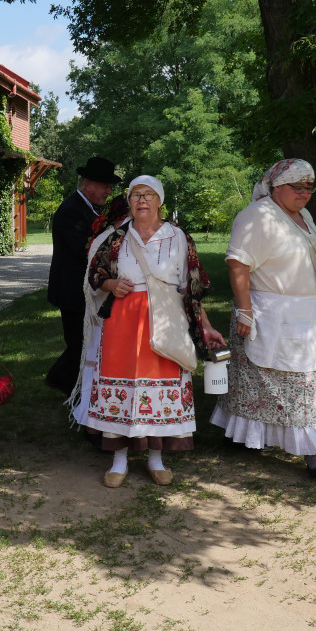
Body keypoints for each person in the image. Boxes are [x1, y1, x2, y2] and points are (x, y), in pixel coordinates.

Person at [210, 159, 316, 479]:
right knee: (288, 385)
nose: (304, 194)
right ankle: (313, 457)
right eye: (297, 187)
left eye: (309, 188)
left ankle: (241, 437)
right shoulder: (257, 216)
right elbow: (238, 263)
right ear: (276, 186)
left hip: (306, 316)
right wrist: (245, 311)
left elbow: (295, 259)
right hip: (268, 313)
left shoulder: (304, 216)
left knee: (268, 385)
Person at [86, 176, 225, 487]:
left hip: (166, 323)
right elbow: (97, 273)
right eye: (136, 195)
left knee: (159, 387)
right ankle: (119, 460)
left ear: (160, 201)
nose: (142, 200)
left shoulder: (178, 238)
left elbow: (192, 288)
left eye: (149, 195)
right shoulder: (117, 238)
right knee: (122, 388)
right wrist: (111, 284)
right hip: (123, 323)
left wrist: (206, 325)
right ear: (130, 201)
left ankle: (155, 459)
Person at [46, 157, 120, 396]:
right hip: (73, 292)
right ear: (88, 184)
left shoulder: (88, 209)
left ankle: (66, 383)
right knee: (79, 344)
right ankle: (70, 388)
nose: (109, 191)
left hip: (82, 290)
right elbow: (85, 251)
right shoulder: (71, 211)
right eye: (105, 185)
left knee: (83, 343)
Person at [67, 195, 132, 442]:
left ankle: (105, 421)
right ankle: (96, 422)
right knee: (102, 368)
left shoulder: (117, 237)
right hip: (105, 314)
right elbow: (92, 282)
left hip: (116, 314)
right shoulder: (107, 240)